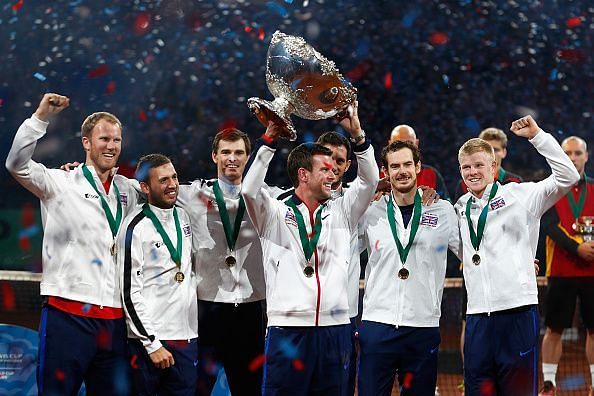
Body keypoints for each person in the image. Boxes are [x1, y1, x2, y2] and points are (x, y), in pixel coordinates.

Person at [5, 93, 140, 395]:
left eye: (116, 140)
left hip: (116, 320)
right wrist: (40, 117)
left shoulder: (128, 190)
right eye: (104, 139)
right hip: (67, 314)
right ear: (86, 143)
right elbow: (16, 163)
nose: (111, 146)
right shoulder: (59, 183)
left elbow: (167, 193)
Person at [242, 101, 379, 395]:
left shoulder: (343, 210)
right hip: (287, 331)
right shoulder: (274, 213)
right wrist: (269, 140)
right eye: (325, 170)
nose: (333, 176)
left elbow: (370, 180)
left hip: (336, 329)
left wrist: (358, 136)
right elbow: (249, 189)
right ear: (304, 175)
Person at [455, 115, 579, 395]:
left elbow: (569, 176)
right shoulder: (460, 207)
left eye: (478, 165)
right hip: (477, 318)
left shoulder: (522, 196)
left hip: (517, 313)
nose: (472, 172)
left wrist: (538, 136)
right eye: (465, 167)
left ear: (494, 166)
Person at [357, 140, 460, 395]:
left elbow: (470, 253)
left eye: (407, 164)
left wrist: (519, 262)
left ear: (418, 167)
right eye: (395, 166)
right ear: (385, 172)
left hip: (422, 326)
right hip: (377, 324)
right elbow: (338, 250)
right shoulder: (370, 212)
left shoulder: (443, 210)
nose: (402, 171)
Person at [175, 128, 266, 396]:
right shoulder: (193, 194)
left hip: (250, 311)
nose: (232, 158)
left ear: (248, 157)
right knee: (199, 389)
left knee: (248, 390)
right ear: (214, 155)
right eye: (225, 152)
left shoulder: (266, 197)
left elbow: (309, 194)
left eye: (239, 152)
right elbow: (146, 186)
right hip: (207, 310)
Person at [119, 154, 198, 395]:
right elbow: (129, 292)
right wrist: (151, 343)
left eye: (174, 177)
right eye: (163, 180)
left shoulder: (184, 217)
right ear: (145, 187)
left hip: (186, 340)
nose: (173, 185)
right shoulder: (135, 227)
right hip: (150, 344)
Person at [539, 136, 594, 396]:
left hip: (592, 272)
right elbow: (549, 226)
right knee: (554, 328)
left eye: (577, 153)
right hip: (560, 270)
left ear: (586, 156)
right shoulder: (550, 189)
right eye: (567, 153)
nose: (572, 158)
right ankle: (549, 383)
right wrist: (577, 248)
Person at [455, 127, 523, 198]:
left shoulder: (514, 181)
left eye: (496, 150)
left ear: (504, 152)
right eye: (487, 150)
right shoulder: (464, 184)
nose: (492, 154)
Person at [389, 124, 450, 200]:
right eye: (398, 144)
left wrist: (436, 200)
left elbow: (448, 206)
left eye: (409, 143)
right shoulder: (377, 177)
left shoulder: (431, 174)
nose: (404, 149)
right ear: (390, 144)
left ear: (416, 143)